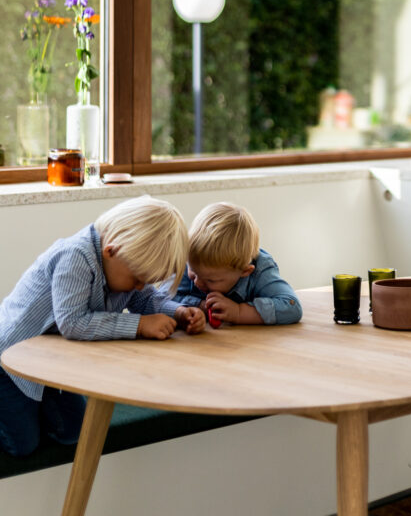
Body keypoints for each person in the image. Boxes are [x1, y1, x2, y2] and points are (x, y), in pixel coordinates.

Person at [0, 195, 204, 457]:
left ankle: (31, 409)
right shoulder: (75, 256)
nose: (140, 286)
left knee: (73, 431)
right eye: (138, 279)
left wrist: (179, 312)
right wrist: (139, 325)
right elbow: (72, 323)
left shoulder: (124, 268)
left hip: (46, 363)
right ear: (111, 251)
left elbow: (146, 299)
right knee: (22, 445)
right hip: (9, 361)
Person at [174, 202, 302, 326]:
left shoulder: (261, 270)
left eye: (211, 280)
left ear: (245, 271)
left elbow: (291, 306)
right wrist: (198, 305)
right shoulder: (193, 257)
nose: (197, 282)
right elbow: (161, 300)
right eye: (193, 272)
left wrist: (239, 312)